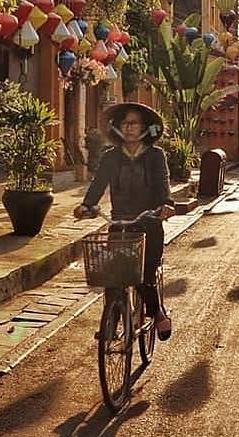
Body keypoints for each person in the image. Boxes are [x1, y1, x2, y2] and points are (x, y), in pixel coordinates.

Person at [74, 102, 174, 339]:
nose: (128, 127)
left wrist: (166, 206)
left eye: (134, 123)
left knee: (144, 278)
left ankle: (157, 311)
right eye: (124, 123)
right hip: (120, 225)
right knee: (113, 275)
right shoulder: (111, 157)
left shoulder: (155, 156)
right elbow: (98, 184)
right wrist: (86, 205)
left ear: (144, 128)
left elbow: (163, 186)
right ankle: (112, 320)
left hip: (148, 225)